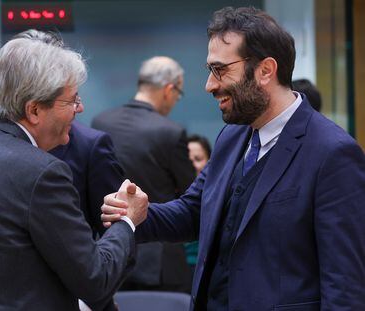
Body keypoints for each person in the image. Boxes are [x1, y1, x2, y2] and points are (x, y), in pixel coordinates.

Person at [102, 6, 365, 310]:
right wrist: (139, 214)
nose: (210, 85)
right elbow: (194, 211)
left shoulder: (333, 153)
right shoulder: (233, 136)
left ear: (266, 70)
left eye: (220, 69)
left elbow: (345, 285)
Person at [0, 31, 148, 311]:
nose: (80, 108)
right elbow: (95, 278)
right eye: (71, 100)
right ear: (33, 110)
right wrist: (127, 220)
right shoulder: (42, 174)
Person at [14, 29, 125, 311]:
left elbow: (113, 228)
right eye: (72, 99)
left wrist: (89, 298)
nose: (81, 107)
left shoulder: (91, 146)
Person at [92, 56, 196, 292]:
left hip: (109, 248)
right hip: (160, 259)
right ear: (170, 89)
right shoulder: (171, 132)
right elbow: (192, 193)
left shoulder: (100, 123)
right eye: (178, 93)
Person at [185, 134, 212, 272]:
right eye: (188, 161)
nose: (193, 165)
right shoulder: (167, 196)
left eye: (198, 159)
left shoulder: (217, 197)